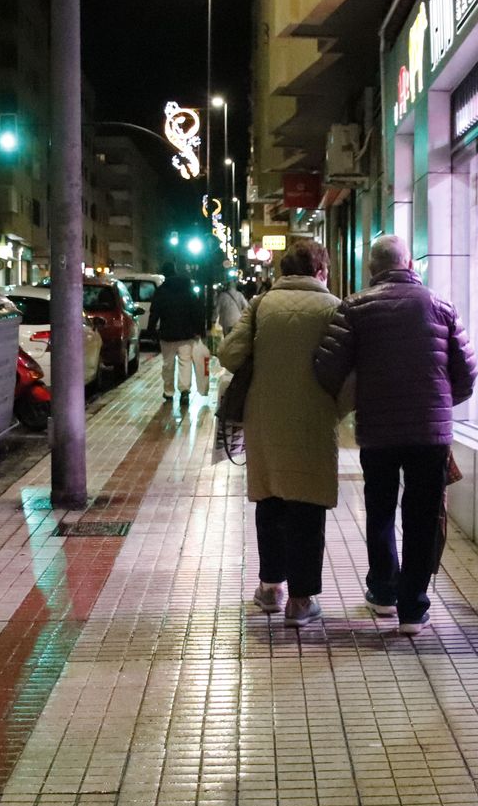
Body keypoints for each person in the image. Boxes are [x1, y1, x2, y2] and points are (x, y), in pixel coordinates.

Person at [314, 235, 477, 636]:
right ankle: (412, 609)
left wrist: (358, 395)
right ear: (410, 263)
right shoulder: (440, 306)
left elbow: (327, 368)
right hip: (429, 433)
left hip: (379, 431)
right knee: (422, 515)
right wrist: (438, 404)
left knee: (381, 509)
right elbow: (467, 374)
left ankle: (384, 592)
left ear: (372, 268)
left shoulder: (355, 308)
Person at [219, 240, 343, 627]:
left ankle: (271, 588)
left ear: (283, 272)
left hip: (265, 417)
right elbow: (348, 366)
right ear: (320, 271)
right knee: (308, 504)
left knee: (270, 499)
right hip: (315, 418)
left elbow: (229, 355)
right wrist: (339, 408)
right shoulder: (334, 307)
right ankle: (302, 602)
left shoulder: (261, 305)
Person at [147, 262, 209, 405]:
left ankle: (168, 392)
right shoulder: (188, 289)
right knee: (185, 362)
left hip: (167, 333)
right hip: (186, 334)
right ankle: (185, 391)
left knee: (168, 364)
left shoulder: (161, 290)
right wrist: (200, 330)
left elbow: (154, 312)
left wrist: (151, 330)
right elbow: (197, 310)